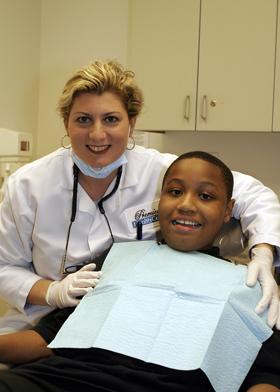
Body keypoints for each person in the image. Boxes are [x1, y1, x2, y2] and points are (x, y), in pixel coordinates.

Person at [0, 60, 279, 334]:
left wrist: (264, 254)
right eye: (83, 119)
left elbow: (254, 194)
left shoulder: (165, 174)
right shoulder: (27, 186)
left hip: (129, 323)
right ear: (66, 122)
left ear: (131, 123)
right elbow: (4, 267)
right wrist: (53, 293)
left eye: (111, 119)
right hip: (39, 322)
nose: (97, 134)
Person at [0, 151, 279, 392]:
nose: (186, 204)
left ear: (228, 209)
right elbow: (47, 339)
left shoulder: (250, 286)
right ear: (161, 201)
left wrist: (264, 253)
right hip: (65, 379)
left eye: (205, 196)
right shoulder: (117, 259)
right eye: (175, 192)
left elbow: (266, 376)